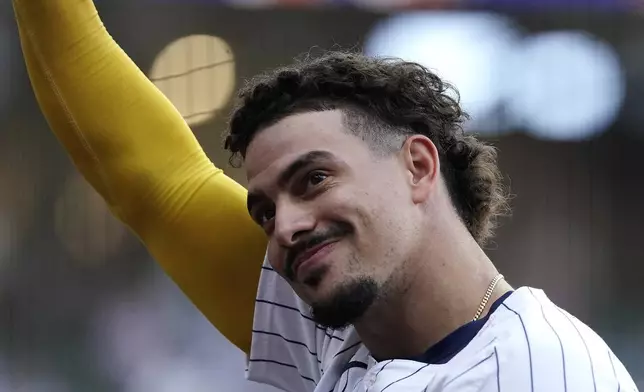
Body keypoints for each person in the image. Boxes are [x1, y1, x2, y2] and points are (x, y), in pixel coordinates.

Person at [12, 0, 638, 391]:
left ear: (417, 167)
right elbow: (153, 182)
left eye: (314, 179)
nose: (284, 227)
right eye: (264, 210)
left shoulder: (537, 373)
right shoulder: (355, 325)